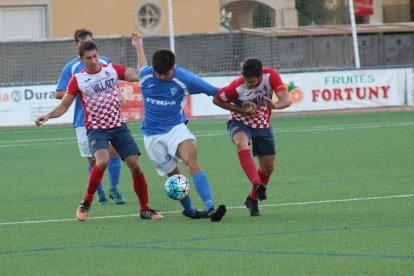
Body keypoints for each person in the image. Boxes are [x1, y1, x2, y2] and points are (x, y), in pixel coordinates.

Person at [36, 40, 163, 221]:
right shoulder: (78, 79)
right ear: (81, 60)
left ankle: (145, 209)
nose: (94, 60)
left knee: (135, 165)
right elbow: (64, 105)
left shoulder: (111, 69)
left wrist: (139, 48)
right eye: (89, 58)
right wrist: (48, 115)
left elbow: (139, 74)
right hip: (96, 129)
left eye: (95, 56)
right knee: (102, 162)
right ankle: (86, 201)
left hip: (118, 126)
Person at [131, 33, 226, 222]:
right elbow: (142, 68)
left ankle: (211, 208)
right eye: (159, 74)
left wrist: (240, 103)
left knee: (191, 163)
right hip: (152, 137)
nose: (162, 77)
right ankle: (190, 211)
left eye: (165, 74)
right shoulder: (145, 74)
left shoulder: (184, 79)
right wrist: (138, 47)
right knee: (175, 178)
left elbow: (214, 91)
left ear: (172, 68)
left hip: (176, 129)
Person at [212, 58, 291, 216]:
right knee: (241, 143)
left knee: (268, 167)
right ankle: (256, 184)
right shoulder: (237, 85)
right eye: (246, 81)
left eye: (252, 81)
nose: (248, 84)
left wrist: (274, 106)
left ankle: (252, 199)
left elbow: (286, 100)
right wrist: (241, 111)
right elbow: (217, 100)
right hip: (239, 122)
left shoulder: (271, 76)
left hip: (262, 125)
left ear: (260, 76)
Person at [56, 28, 125, 205]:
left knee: (114, 152)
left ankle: (114, 189)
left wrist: (118, 94)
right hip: (84, 119)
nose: (86, 45)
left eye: (89, 41)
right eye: (82, 42)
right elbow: (59, 93)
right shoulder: (71, 67)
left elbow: (112, 80)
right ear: (76, 45)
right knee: (93, 158)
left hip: (107, 117)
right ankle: (99, 193)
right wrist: (78, 91)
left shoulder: (104, 61)